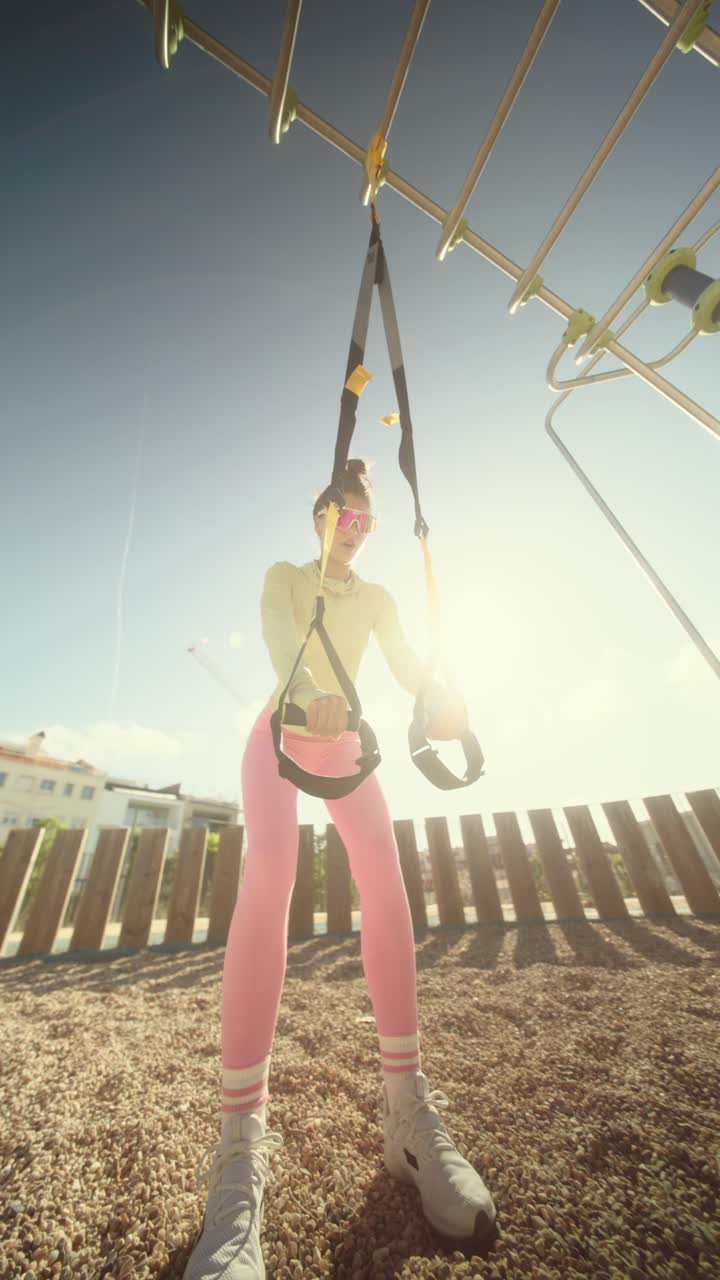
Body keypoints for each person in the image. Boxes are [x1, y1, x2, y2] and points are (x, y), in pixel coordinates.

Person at [184, 458, 496, 1280]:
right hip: (282, 735)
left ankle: (406, 1111)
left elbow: (402, 661)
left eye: (366, 524)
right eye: (344, 518)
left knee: (385, 882)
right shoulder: (285, 576)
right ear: (320, 515)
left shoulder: (381, 598)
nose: (354, 533)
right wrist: (318, 688)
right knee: (273, 871)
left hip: (347, 742)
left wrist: (438, 694)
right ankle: (240, 1144)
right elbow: (286, 642)